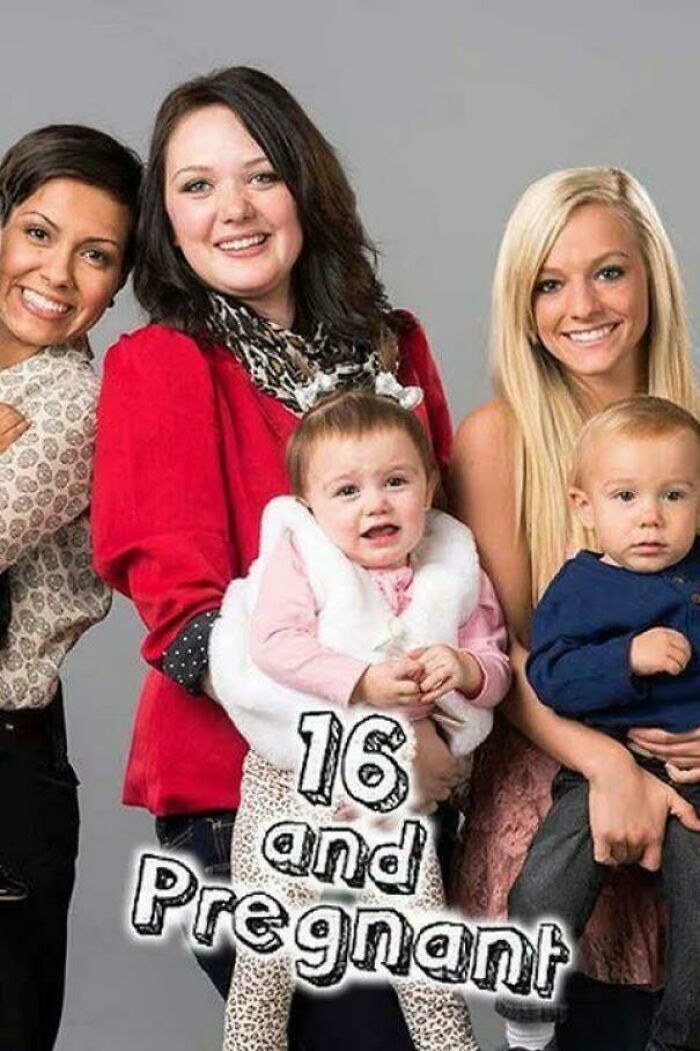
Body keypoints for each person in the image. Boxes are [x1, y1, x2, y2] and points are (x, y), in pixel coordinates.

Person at [91, 66, 464, 1051]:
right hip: (245, 798)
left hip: (417, 791)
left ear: (305, 183)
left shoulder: (393, 349)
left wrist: (450, 730)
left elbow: (444, 561)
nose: (234, 209)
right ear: (167, 220)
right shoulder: (163, 366)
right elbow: (189, 625)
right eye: (197, 185)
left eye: (260, 175)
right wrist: (373, 745)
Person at [449, 167, 700, 1051]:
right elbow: (506, 651)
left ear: (651, 278)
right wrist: (609, 766)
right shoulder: (498, 440)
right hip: (568, 777)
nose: (582, 306)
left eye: (609, 272)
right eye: (549, 283)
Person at [208, 390, 510, 1051]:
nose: (376, 504)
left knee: (423, 953)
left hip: (390, 800)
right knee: (266, 958)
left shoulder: (452, 565)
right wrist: (364, 681)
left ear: (429, 486)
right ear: (309, 505)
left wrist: (465, 668)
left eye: (396, 482)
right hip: (292, 788)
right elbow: (274, 644)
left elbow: (496, 661)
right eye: (347, 490)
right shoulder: (304, 558)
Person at [499, 396, 700, 1051]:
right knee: (549, 876)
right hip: (604, 767)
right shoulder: (580, 587)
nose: (650, 516)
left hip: (693, 778)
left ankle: (679, 1036)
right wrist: (626, 658)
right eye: (625, 496)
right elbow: (550, 676)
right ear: (584, 507)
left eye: (674, 495)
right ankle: (527, 1005)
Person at [0, 124, 141, 1051]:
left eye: (96, 254)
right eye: (38, 233)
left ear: (119, 281)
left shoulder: (72, 404)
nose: (56, 273)